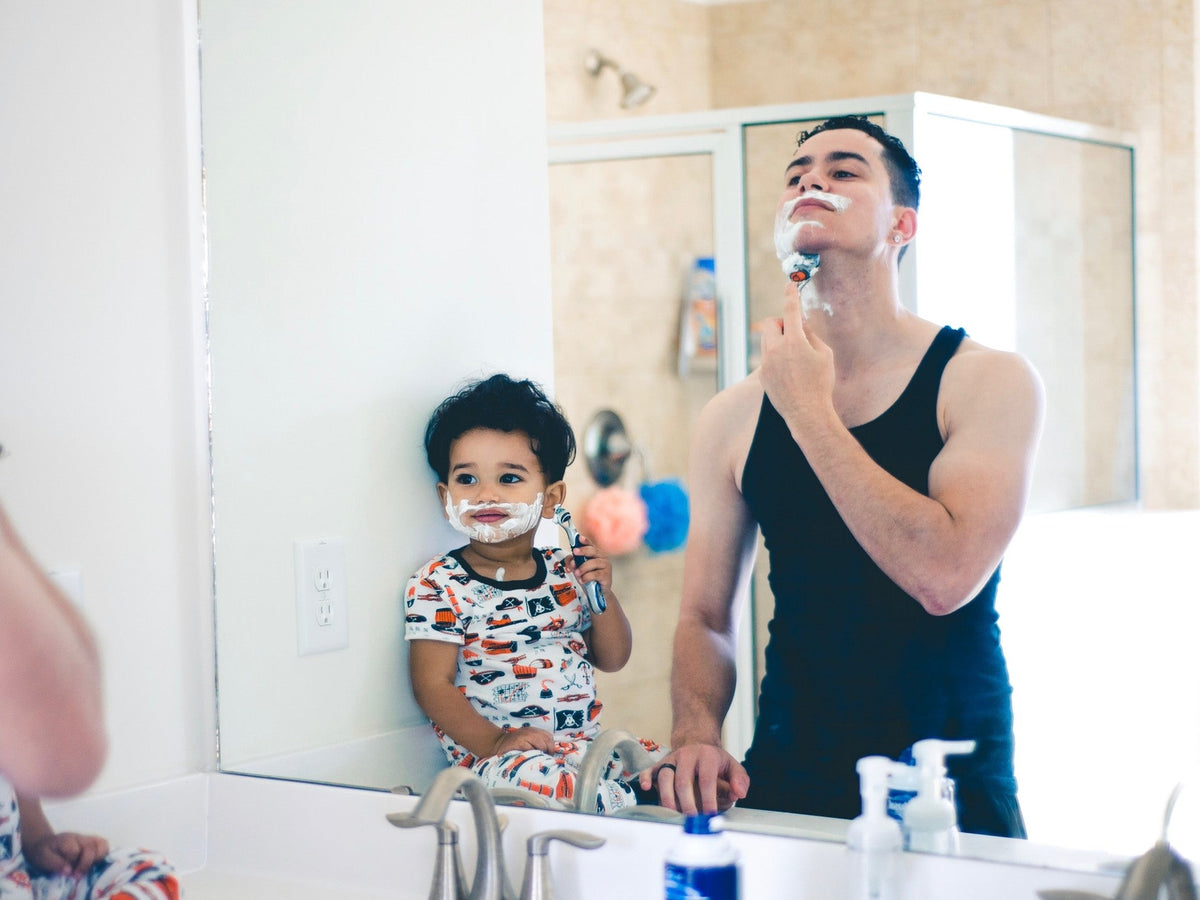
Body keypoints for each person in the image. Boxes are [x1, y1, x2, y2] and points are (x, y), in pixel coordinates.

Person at [643, 116, 1044, 838]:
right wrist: (696, 731)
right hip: (793, 759)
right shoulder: (731, 417)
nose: (811, 184)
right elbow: (705, 617)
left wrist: (808, 412)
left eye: (844, 170)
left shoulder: (984, 381)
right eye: (796, 177)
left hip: (944, 773)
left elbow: (944, 577)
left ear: (902, 224)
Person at [405, 374, 661, 813]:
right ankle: (625, 804)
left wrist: (603, 597)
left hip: (583, 748)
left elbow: (614, 657)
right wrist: (497, 741)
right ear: (445, 497)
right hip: (502, 764)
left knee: (657, 761)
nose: (486, 493)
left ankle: (637, 792)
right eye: (467, 480)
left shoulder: (566, 571)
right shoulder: (438, 583)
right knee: (553, 788)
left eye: (508, 478)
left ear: (550, 499)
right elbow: (431, 685)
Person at [0, 500, 178, 897]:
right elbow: (70, 758)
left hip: (17, 881)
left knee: (146, 872)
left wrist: (43, 844)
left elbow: (33, 777)